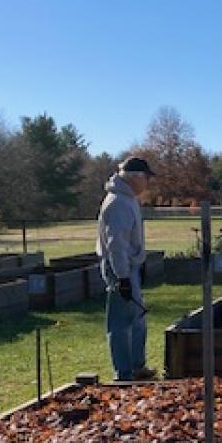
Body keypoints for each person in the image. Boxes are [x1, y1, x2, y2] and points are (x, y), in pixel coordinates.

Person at [96, 156, 156, 382]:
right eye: (146, 178)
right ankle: (124, 374)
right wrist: (123, 278)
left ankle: (137, 366)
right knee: (121, 322)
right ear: (135, 178)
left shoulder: (128, 199)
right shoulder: (118, 203)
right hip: (120, 269)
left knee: (137, 317)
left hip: (130, 266)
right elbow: (116, 245)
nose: (148, 183)